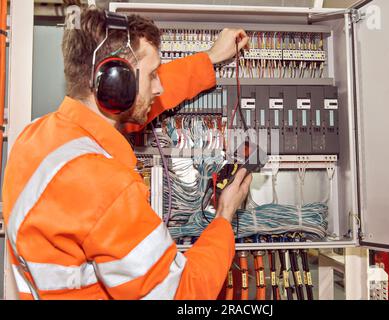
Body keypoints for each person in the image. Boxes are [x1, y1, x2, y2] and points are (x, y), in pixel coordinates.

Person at [2, 8, 251, 300]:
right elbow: (182, 293)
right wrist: (224, 216)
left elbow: (134, 108)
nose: (158, 87)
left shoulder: (35, 138)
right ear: (116, 84)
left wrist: (208, 58)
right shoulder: (104, 186)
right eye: (152, 75)